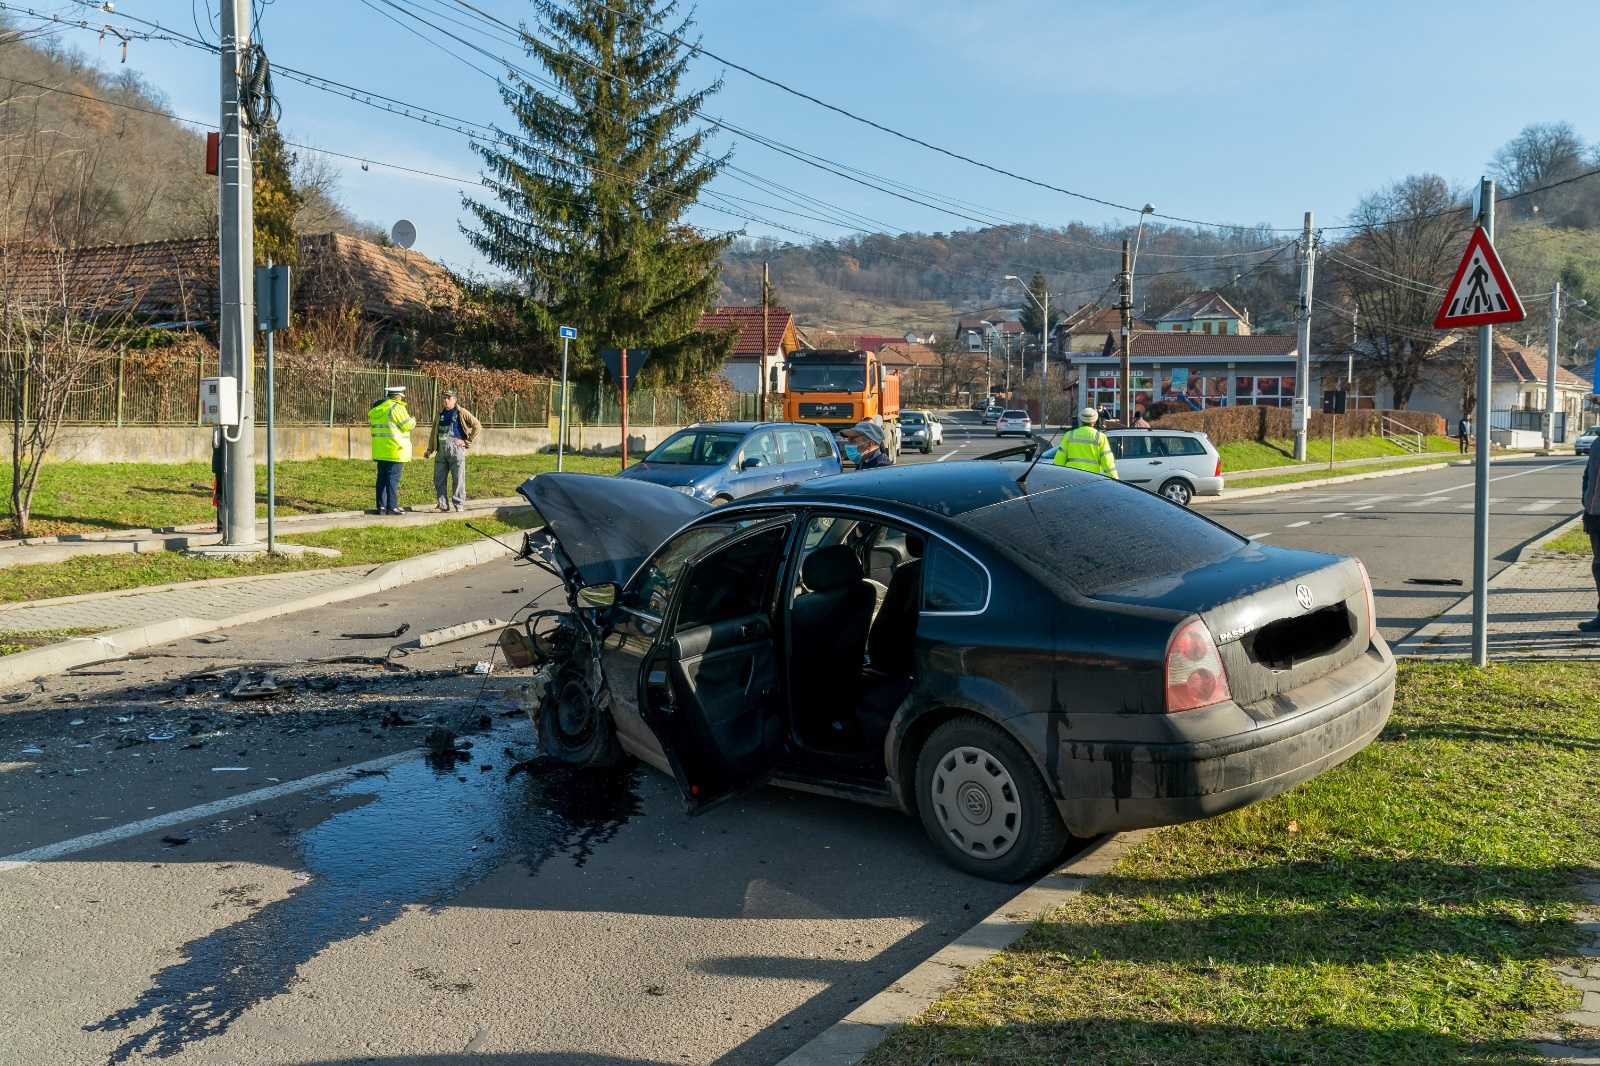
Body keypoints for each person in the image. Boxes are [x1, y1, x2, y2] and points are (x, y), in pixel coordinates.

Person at [424, 389, 482, 512]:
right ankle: (442, 505)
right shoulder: (440, 414)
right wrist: (430, 450)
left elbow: (477, 425)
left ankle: (459, 504)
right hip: (441, 450)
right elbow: (434, 432)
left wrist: (466, 442)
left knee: (458, 478)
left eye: (449, 398)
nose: (446, 400)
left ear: (455, 400)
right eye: (444, 398)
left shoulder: (461, 412)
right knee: (438, 479)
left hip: (456, 450)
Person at [369, 384, 416, 515]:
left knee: (382, 478)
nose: (401, 399)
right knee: (393, 479)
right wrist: (413, 420)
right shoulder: (396, 407)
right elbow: (407, 425)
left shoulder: (377, 408)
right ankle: (392, 507)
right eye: (401, 397)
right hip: (395, 449)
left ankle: (381, 507)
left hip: (380, 450)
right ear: (398, 397)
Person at [1054, 407, 1118, 478]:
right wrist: (1116, 480)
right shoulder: (1100, 437)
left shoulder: (1069, 435)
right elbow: (1107, 462)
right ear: (1095, 421)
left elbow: (1059, 460)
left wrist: (1055, 477)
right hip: (1091, 478)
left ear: (1081, 420)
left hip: (1071, 477)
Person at [1580, 443, 1600, 631]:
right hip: (1595, 514)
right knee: (1599, 565)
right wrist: (1585, 499)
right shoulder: (1597, 443)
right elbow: (1587, 475)